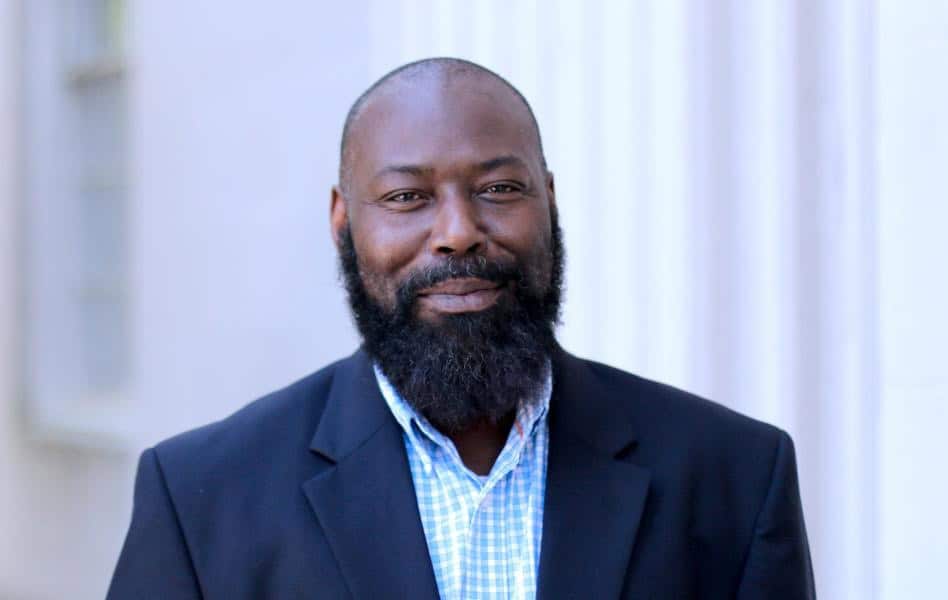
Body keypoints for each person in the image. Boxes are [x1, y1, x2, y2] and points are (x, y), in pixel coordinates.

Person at [107, 57, 815, 599]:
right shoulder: (203, 499)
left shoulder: (734, 478)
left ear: (551, 201)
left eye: (500, 189)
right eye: (407, 197)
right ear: (343, 223)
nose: (457, 232)